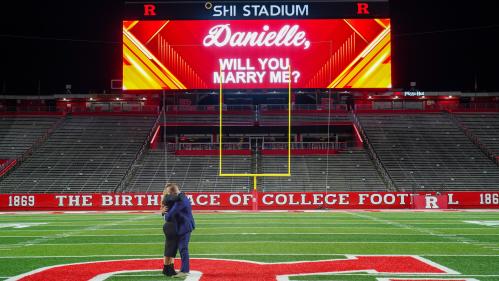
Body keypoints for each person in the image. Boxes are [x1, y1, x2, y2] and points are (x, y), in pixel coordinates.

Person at [165, 183, 195, 278]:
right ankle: (184, 269)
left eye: (169, 193)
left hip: (184, 227)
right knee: (183, 248)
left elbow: (168, 216)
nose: (168, 195)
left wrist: (164, 212)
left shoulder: (179, 201)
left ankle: (185, 270)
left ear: (172, 192)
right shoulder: (183, 196)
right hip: (186, 225)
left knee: (183, 249)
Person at [161, 186, 179, 277]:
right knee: (170, 248)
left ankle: (170, 267)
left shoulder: (168, 199)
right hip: (170, 225)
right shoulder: (168, 198)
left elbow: (163, 212)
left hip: (172, 225)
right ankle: (166, 268)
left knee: (172, 248)